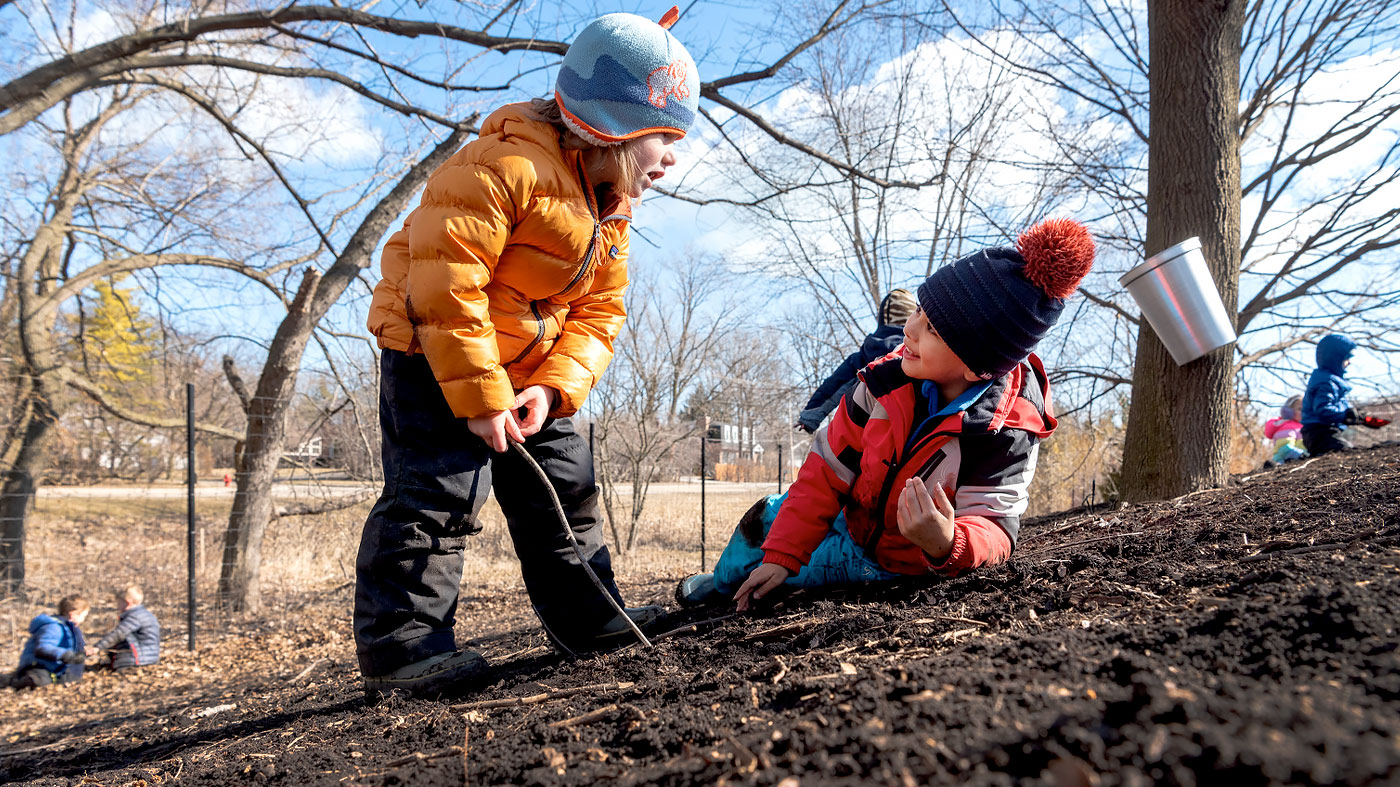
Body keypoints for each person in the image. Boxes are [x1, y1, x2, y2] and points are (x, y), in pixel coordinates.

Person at [355, 7, 700, 700]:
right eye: (664, 136)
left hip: (524, 370)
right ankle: (404, 652)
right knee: (436, 495)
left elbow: (600, 313)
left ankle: (590, 618)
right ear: (611, 124)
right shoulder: (500, 167)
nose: (671, 157)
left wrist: (552, 389)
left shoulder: (611, 211)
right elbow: (444, 283)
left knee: (566, 488)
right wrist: (478, 397)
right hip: (434, 351)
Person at [677, 219, 1096, 609]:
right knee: (769, 516)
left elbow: (996, 526)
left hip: (896, 561)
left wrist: (947, 542)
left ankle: (745, 591)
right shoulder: (884, 380)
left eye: (932, 329)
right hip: (852, 516)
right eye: (918, 311)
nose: (910, 330)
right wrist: (783, 551)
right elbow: (825, 470)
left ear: (975, 365)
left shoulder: (1006, 429)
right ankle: (723, 582)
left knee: (793, 574)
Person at [794, 289, 918, 433]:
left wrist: (810, 417)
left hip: (870, 432)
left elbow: (833, 385)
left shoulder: (862, 356)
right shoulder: (920, 352)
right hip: (917, 433)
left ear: (881, 320)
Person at [1300, 334, 1389, 456]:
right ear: (1335, 359)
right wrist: (1346, 415)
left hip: (1325, 431)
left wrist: (1357, 417)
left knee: (1347, 448)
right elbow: (1323, 410)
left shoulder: (1330, 380)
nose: (1349, 362)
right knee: (1344, 451)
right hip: (1319, 432)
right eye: (1346, 358)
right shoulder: (1326, 382)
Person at [9, 595, 89, 689]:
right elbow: (43, 648)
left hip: (57, 666)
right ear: (73, 614)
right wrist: (66, 655)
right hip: (38, 664)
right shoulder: (53, 627)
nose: (84, 619)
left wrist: (83, 652)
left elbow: (75, 646)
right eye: (83, 616)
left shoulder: (72, 628)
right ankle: (20, 680)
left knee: (69, 678)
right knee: (39, 679)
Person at [89, 585, 160, 669]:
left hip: (137, 660)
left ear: (127, 603)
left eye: (118, 602)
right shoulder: (144, 614)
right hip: (149, 658)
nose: (117, 606)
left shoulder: (135, 617)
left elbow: (118, 634)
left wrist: (97, 647)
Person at [1262, 395, 1307, 466]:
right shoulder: (1287, 426)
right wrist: (1302, 455)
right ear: (1288, 411)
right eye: (1300, 409)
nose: (1303, 412)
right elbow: (1284, 449)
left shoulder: (1301, 426)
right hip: (1284, 461)